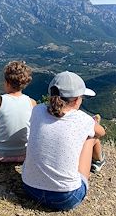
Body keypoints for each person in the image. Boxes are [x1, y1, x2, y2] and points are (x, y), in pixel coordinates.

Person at [22, 71, 106, 211]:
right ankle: (98, 162)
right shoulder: (82, 119)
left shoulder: (37, 110)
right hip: (66, 198)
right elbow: (102, 132)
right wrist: (93, 123)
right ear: (76, 100)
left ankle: (98, 162)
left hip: (30, 188)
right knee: (91, 137)